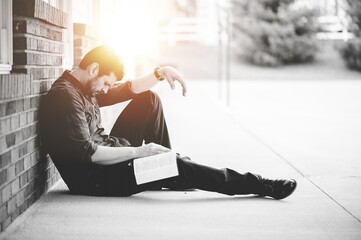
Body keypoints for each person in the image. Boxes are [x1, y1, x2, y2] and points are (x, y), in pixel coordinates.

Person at [39, 45, 297, 199]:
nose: (107, 90)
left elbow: (128, 89)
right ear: (94, 69)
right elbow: (89, 154)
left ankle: (169, 172)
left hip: (112, 156)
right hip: (99, 178)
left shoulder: (86, 88)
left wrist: (159, 73)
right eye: (106, 82)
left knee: (147, 99)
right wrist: (142, 151)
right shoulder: (65, 96)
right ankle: (259, 185)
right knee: (175, 165)